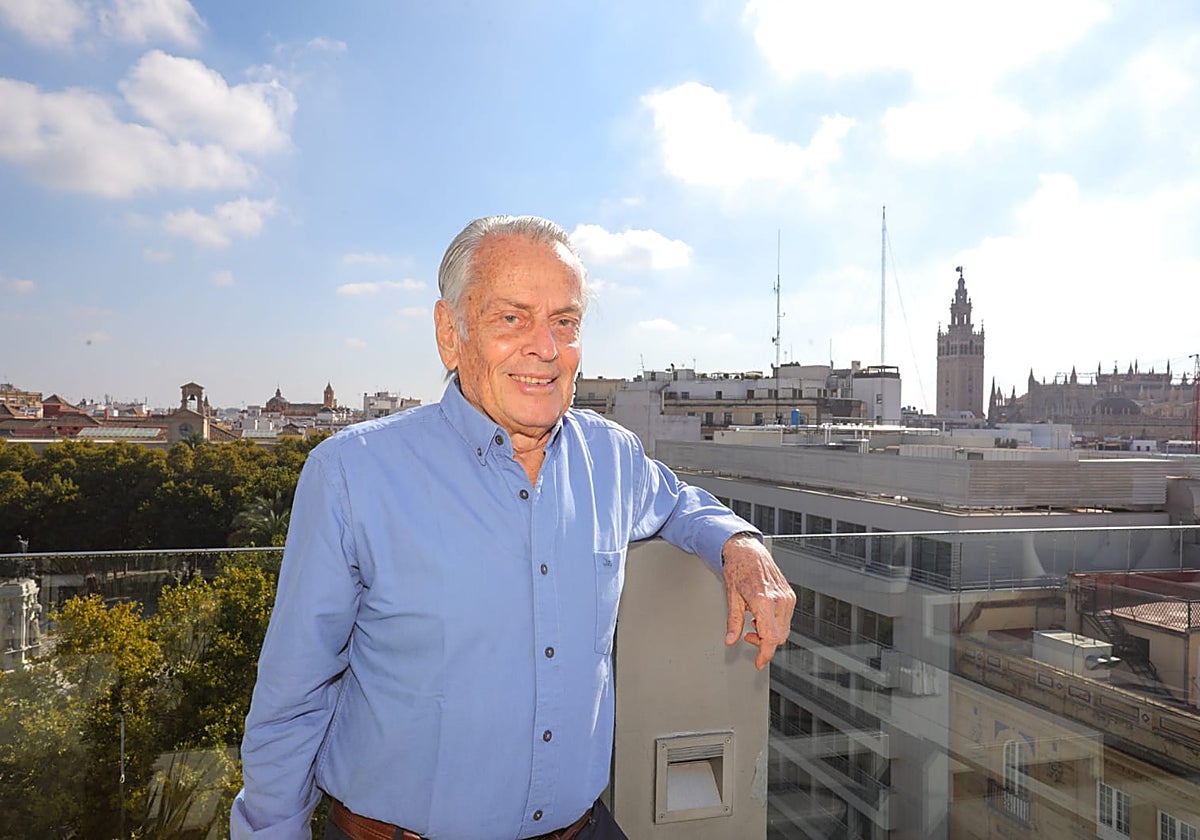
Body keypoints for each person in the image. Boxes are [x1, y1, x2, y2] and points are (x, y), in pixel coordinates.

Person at [231, 215, 795, 840]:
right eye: (511, 318)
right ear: (450, 334)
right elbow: (293, 695)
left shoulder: (611, 457)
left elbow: (679, 503)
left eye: (565, 322)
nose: (545, 347)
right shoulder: (351, 474)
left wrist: (741, 544)